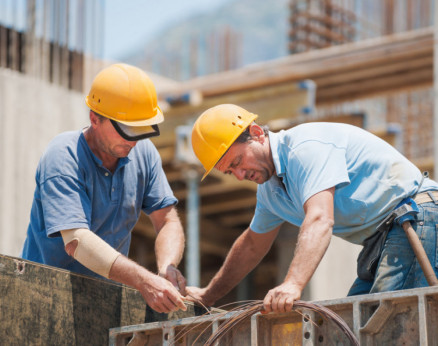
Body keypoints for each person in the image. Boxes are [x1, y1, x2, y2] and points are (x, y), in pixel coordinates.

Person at [186, 103, 438, 313]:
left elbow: (319, 218)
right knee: (352, 325)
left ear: (257, 133)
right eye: (231, 171)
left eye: (238, 161)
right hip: (382, 237)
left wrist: (293, 283)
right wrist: (208, 296)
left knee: (388, 322)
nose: (240, 175)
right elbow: (252, 245)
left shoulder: (303, 148)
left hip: (416, 215)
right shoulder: (270, 192)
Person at [21, 63, 187, 313]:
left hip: (104, 301)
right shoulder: (64, 156)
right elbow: (76, 241)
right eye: (126, 129)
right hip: (43, 298)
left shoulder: (144, 154)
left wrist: (167, 268)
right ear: (94, 119)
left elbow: (167, 221)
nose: (133, 140)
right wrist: (143, 280)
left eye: (140, 129)